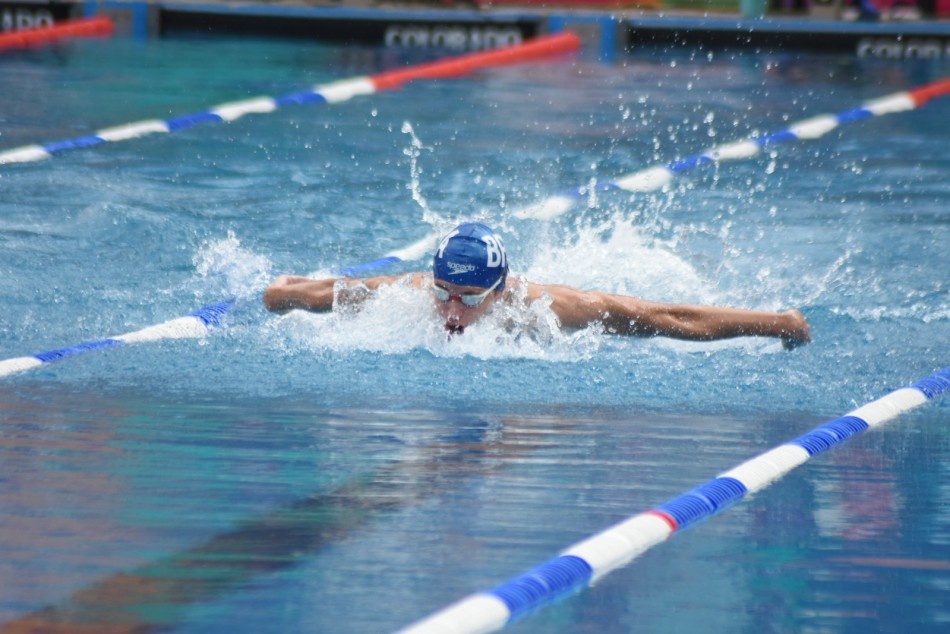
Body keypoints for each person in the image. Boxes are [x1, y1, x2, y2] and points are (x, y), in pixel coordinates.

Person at [263, 222, 812, 349]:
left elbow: (671, 318)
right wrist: (280, 291)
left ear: (499, 290)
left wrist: (779, 325)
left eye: (471, 297)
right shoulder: (405, 292)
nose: (452, 309)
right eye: (444, 292)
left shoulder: (553, 309)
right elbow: (316, 294)